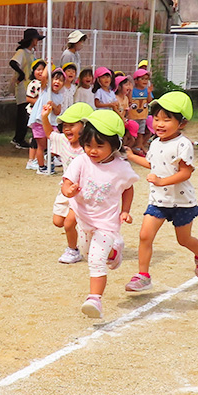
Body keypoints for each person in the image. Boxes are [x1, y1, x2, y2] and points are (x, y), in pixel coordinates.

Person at [124, 92, 198, 293]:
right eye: (156, 119)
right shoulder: (155, 142)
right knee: (145, 236)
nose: (159, 124)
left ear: (182, 123)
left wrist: (161, 180)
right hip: (158, 201)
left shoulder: (183, 144)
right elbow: (152, 164)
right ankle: (143, 276)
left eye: (167, 119)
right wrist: (131, 156)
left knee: (183, 240)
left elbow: (186, 172)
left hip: (181, 202)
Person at [61, 110, 139, 318]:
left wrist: (125, 211)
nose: (92, 151)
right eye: (88, 145)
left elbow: (128, 188)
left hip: (107, 223)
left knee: (95, 260)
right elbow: (66, 183)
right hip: (83, 220)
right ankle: (114, 252)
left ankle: (94, 299)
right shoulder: (81, 161)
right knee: (88, 254)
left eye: (99, 146)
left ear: (115, 145)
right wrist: (68, 191)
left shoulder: (121, 168)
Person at [41, 102, 93, 263]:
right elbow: (50, 134)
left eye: (72, 125)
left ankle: (73, 250)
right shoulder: (64, 141)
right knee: (58, 222)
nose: (67, 129)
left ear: (85, 126)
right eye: (65, 126)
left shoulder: (90, 147)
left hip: (82, 192)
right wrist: (44, 117)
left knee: (69, 224)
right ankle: (89, 233)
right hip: (66, 189)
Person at [10, 28, 45, 149]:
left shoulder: (30, 52)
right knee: (22, 113)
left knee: (26, 113)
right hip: (22, 86)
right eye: (36, 39)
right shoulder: (22, 52)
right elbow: (13, 62)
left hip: (29, 86)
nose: (37, 41)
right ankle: (18, 138)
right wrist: (21, 74)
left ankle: (20, 137)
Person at [27, 67, 66, 175]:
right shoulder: (46, 90)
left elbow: (58, 111)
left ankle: (49, 158)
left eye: (61, 80)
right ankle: (41, 166)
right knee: (41, 145)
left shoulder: (60, 96)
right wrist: (48, 65)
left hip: (52, 123)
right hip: (39, 121)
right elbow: (44, 77)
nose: (57, 81)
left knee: (55, 142)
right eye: (55, 79)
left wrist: (53, 105)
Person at [25, 59, 48, 170]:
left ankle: (36, 159)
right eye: (38, 69)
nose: (41, 72)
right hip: (33, 114)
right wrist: (40, 103)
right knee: (36, 138)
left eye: (43, 69)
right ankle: (31, 160)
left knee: (41, 138)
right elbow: (28, 98)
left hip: (42, 114)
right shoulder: (34, 84)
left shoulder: (46, 84)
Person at [128, 68, 153, 154]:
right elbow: (129, 101)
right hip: (132, 116)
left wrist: (149, 92)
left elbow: (150, 100)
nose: (145, 81)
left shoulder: (147, 90)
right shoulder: (133, 90)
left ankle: (138, 147)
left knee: (140, 133)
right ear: (136, 81)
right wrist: (130, 91)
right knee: (131, 134)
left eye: (146, 79)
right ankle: (130, 147)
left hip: (143, 116)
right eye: (142, 79)